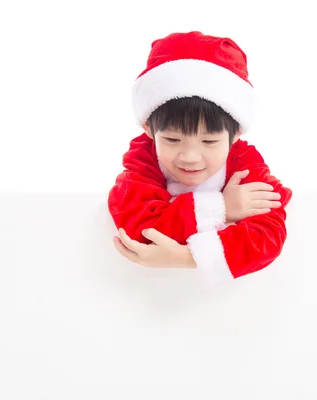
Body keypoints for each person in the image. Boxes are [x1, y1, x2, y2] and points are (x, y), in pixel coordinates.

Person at [108, 31, 292, 285]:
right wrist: (222, 207)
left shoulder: (244, 164)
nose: (190, 157)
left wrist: (184, 257)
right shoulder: (142, 164)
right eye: (173, 140)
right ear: (149, 129)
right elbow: (140, 228)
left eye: (209, 142)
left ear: (235, 133)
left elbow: (267, 236)